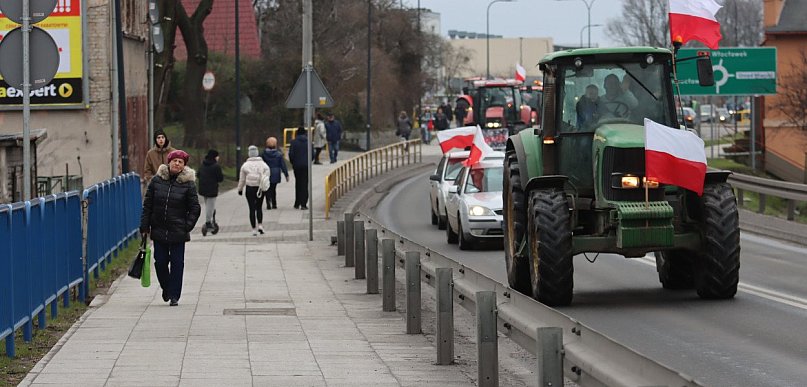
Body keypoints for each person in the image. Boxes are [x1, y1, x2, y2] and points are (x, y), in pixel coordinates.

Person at [140, 149, 200, 306]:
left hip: (178, 231)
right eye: (175, 161)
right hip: (159, 229)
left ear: (184, 166)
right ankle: (166, 287)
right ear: (169, 162)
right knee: (160, 261)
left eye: (181, 162)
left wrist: (186, 226)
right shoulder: (157, 181)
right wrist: (144, 226)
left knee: (177, 263)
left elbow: (195, 208)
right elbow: (148, 205)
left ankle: (174, 295)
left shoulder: (188, 184)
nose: (177, 164)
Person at [238, 145, 270, 236]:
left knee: (251, 208)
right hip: (260, 188)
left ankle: (253, 229)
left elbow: (242, 179)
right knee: (259, 207)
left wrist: (240, 189)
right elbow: (267, 176)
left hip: (250, 188)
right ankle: (260, 225)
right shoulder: (263, 164)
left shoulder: (245, 165)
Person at [198, 149, 224, 236]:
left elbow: (198, 174)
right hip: (212, 189)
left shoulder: (203, 164)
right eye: (217, 156)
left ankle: (212, 216)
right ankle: (208, 222)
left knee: (208, 205)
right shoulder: (216, 166)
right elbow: (220, 178)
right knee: (210, 206)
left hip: (203, 189)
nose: (218, 158)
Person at [261, 137, 289, 210]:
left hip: (266, 173)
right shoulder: (279, 154)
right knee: (273, 188)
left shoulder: (264, 154)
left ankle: (268, 202)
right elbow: (283, 165)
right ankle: (274, 203)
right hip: (275, 173)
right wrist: (286, 174)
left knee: (267, 188)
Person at [287, 127, 310, 210]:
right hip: (306, 165)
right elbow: (312, 154)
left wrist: (293, 163)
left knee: (298, 183)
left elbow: (291, 154)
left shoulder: (293, 142)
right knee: (305, 183)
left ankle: (297, 202)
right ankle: (304, 204)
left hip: (297, 166)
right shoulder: (308, 142)